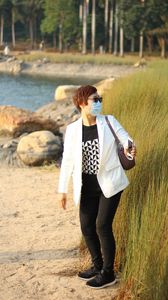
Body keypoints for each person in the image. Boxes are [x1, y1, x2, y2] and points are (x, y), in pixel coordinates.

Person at [57, 85, 136, 289]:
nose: (99, 102)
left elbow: (125, 137)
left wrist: (129, 145)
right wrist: (62, 190)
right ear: (82, 103)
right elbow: (67, 161)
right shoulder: (73, 130)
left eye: (100, 99)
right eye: (95, 99)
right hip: (86, 187)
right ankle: (97, 265)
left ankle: (108, 273)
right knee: (86, 227)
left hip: (110, 183)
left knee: (102, 225)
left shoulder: (108, 121)